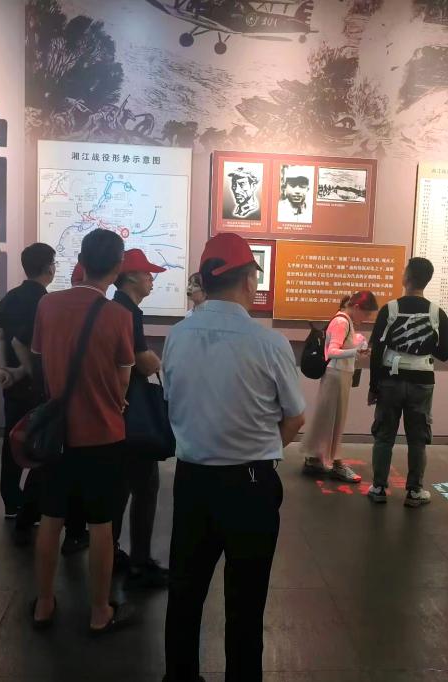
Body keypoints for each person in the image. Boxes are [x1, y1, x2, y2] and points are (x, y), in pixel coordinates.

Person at [163, 232, 305, 682]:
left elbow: (172, 400)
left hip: (192, 482)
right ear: (248, 280)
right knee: (246, 602)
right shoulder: (269, 343)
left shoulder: (176, 337)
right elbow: (295, 418)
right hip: (250, 486)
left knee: (184, 594)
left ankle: (179, 676)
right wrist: (262, 449)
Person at [30, 228, 137, 634]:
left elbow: (41, 359)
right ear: (118, 266)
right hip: (104, 433)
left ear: (80, 260)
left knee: (51, 518)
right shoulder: (119, 316)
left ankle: (43, 604)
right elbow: (123, 380)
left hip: (56, 435)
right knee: (101, 524)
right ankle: (98, 611)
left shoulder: (48, 305)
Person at [366, 257, 448, 507]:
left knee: (384, 436)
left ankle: (379, 488)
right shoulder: (436, 313)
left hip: (390, 379)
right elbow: (445, 353)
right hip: (422, 381)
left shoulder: (390, 309)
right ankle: (415, 491)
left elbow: (377, 350)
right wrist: (424, 342)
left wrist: (373, 386)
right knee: (417, 438)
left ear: (406, 277)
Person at [112, 248, 170, 588]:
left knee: (120, 487)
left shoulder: (116, 307)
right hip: (131, 411)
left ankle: (113, 553)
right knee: (146, 486)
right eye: (147, 273)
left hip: (116, 413)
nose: (152, 279)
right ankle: (140, 561)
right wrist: (157, 361)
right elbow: (142, 362)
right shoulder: (128, 312)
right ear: (131, 276)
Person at [0, 243, 55, 519]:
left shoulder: (9, 298)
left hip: (12, 385)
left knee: (11, 439)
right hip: (34, 385)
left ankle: (10, 501)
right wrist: (27, 371)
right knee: (41, 440)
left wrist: (4, 369)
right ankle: (32, 505)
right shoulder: (44, 301)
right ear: (49, 268)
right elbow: (20, 342)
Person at [300, 290, 378, 483]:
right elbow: (332, 352)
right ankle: (335, 462)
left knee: (328, 420)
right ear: (357, 307)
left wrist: (355, 348)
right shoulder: (342, 322)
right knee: (334, 421)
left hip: (339, 375)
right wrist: (356, 351)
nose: (365, 319)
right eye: (366, 314)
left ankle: (316, 459)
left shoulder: (344, 321)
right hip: (336, 375)